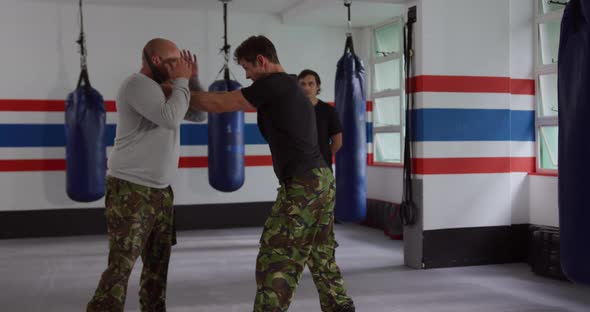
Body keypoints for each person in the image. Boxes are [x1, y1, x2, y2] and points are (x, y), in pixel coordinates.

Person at [188, 35, 355, 312]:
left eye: (247, 68)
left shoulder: (273, 84)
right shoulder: (287, 84)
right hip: (322, 181)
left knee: (276, 255)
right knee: (320, 253)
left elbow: (219, 104)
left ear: (262, 61)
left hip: (304, 184)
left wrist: (177, 91)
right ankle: (340, 306)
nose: (247, 75)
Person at [87, 38, 205, 312]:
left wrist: (193, 80)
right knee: (121, 265)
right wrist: (182, 83)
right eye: (173, 62)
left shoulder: (169, 88)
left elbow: (198, 116)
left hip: (161, 192)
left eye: (180, 62)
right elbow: (170, 118)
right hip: (131, 189)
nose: (179, 67)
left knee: (157, 268)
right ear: (155, 61)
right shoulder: (137, 85)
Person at [298, 69, 342, 170]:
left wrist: (322, 157)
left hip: (322, 168)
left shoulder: (328, 110)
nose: (306, 87)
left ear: (317, 86)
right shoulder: (292, 110)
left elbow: (338, 142)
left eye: (311, 84)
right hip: (298, 168)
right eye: (302, 84)